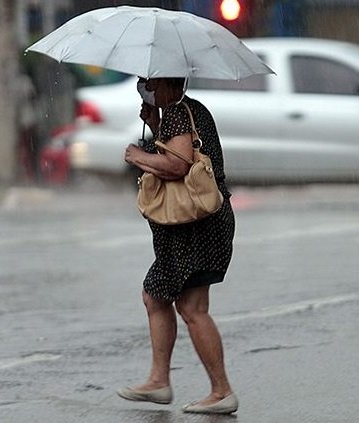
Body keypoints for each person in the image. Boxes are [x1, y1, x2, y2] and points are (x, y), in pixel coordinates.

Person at [119, 77, 238, 414]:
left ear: (166, 81)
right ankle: (159, 381)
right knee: (156, 295)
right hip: (195, 225)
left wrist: (138, 156)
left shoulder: (176, 111)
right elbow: (180, 151)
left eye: (150, 81)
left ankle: (221, 391)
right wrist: (156, 125)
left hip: (196, 228)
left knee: (191, 307)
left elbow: (179, 165)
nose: (145, 86)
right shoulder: (188, 110)